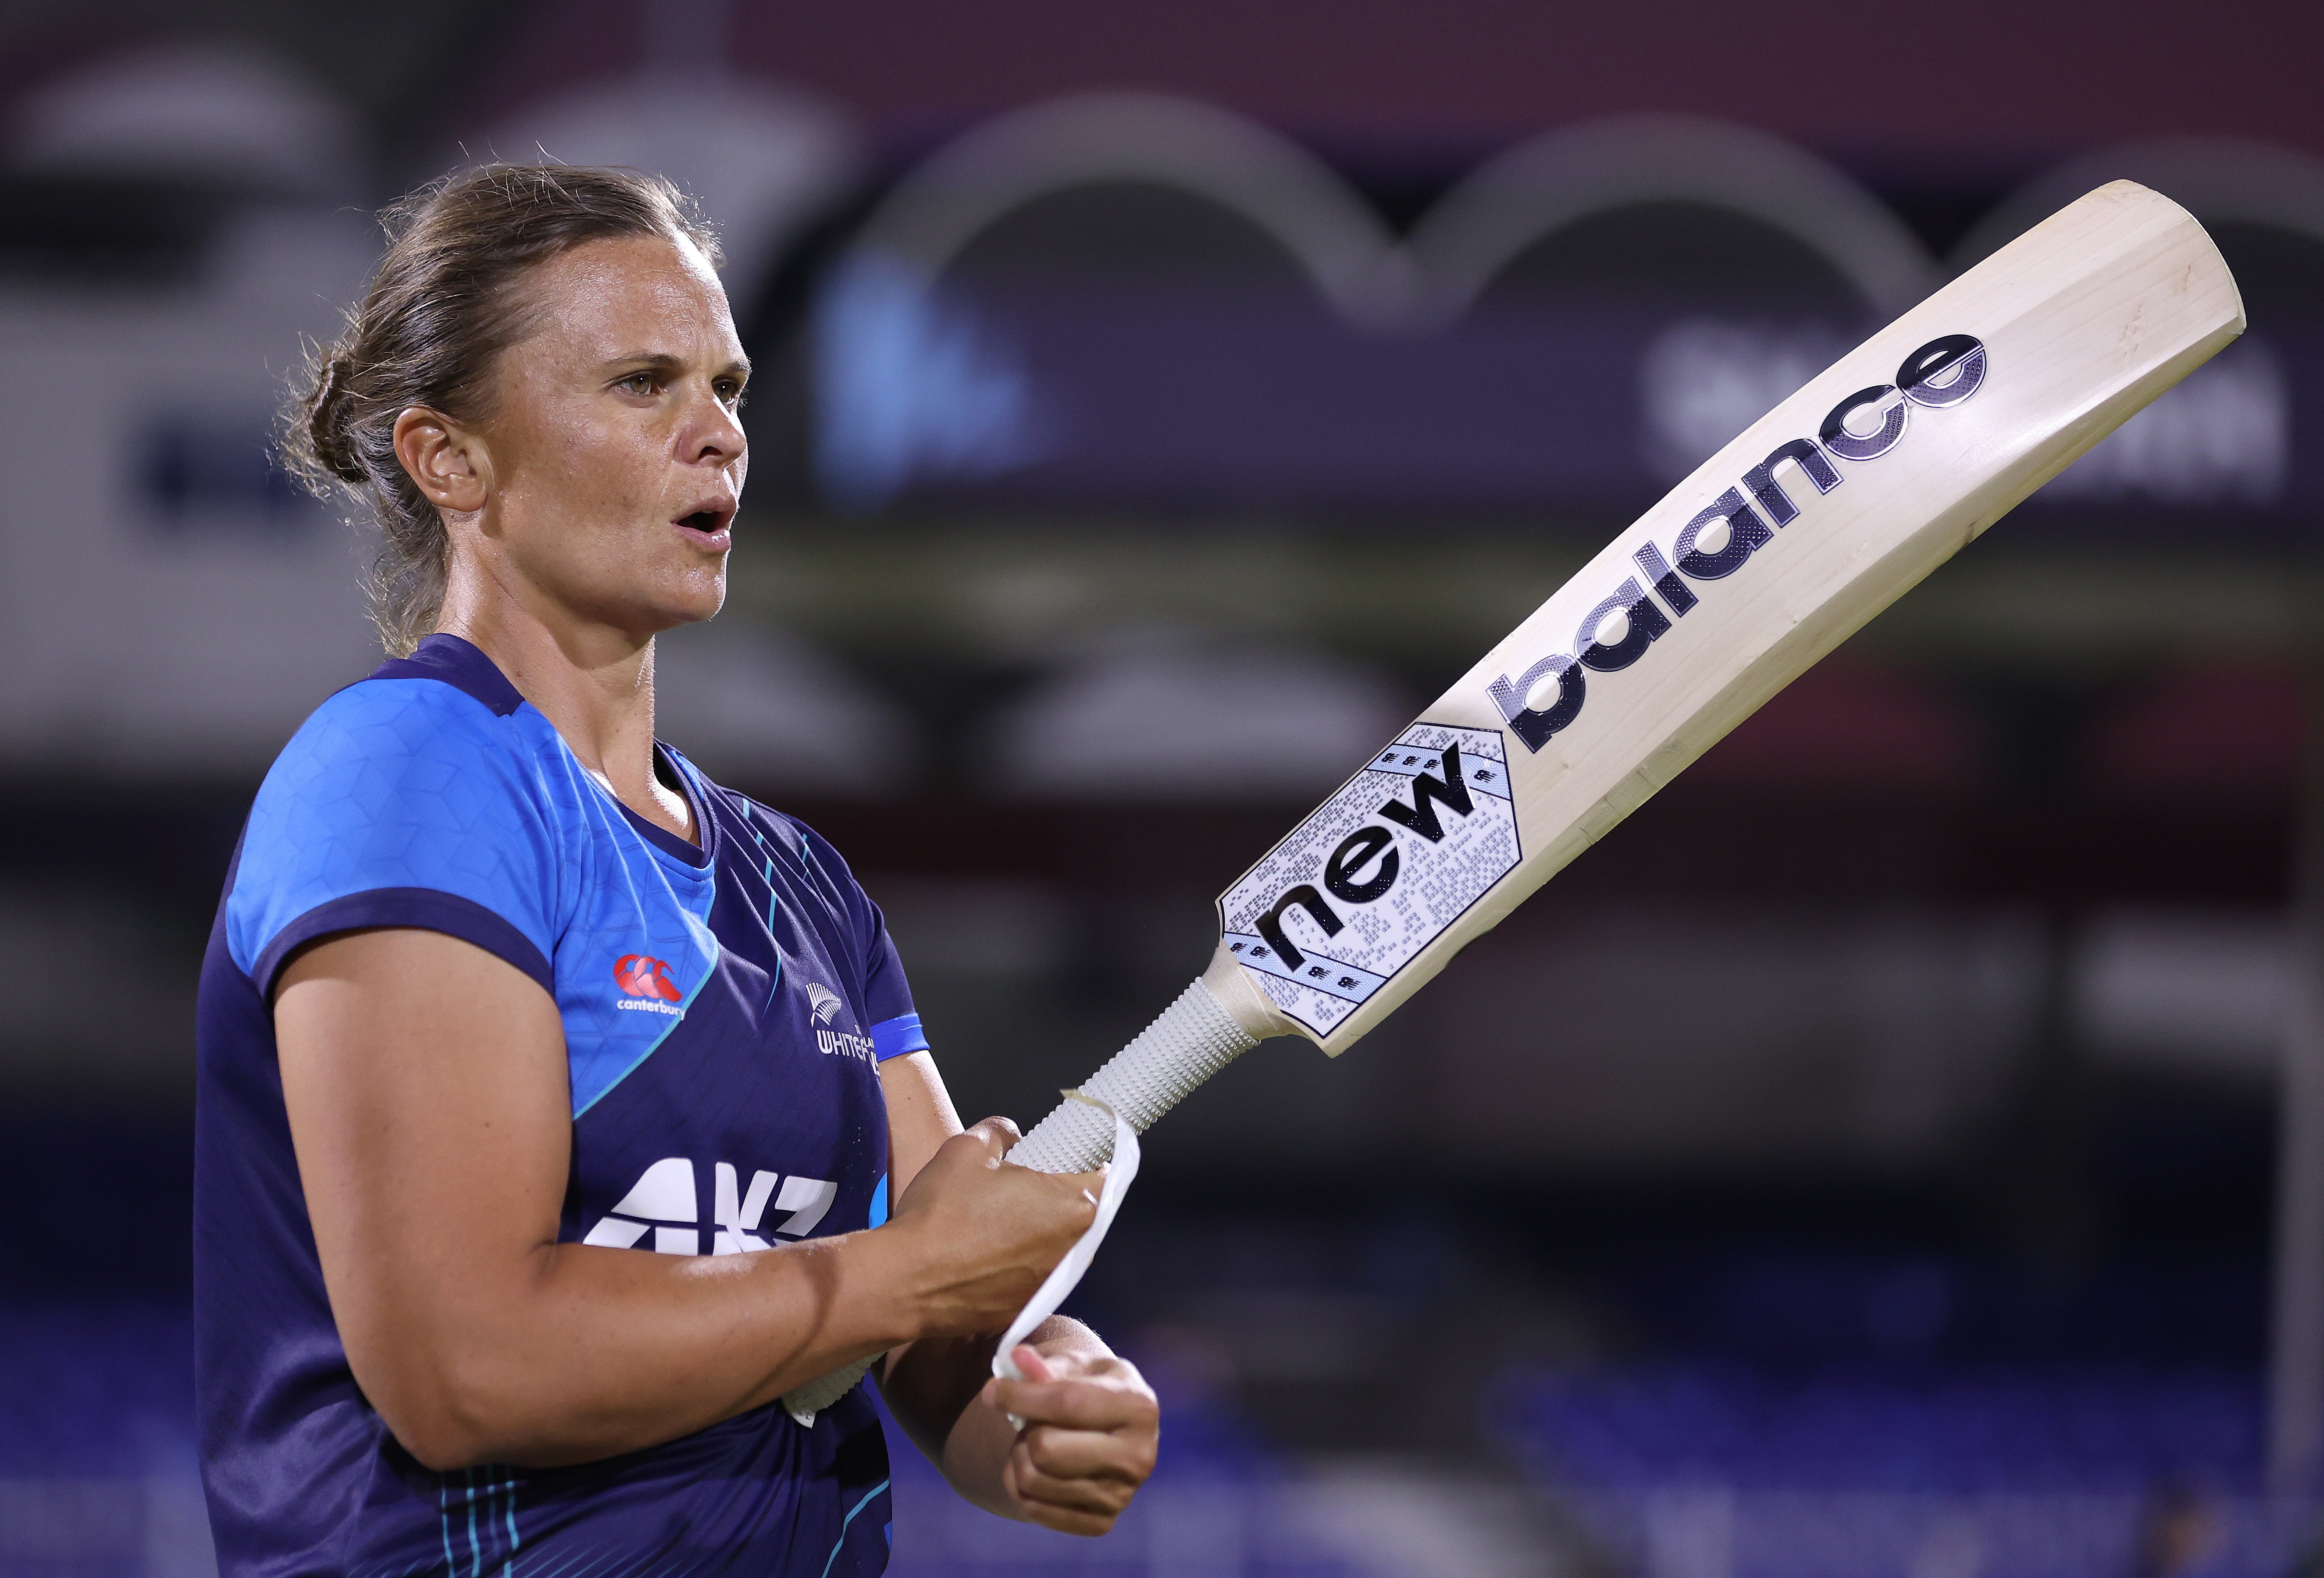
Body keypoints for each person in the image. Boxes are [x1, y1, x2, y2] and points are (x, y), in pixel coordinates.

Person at [193, 164, 1158, 1575]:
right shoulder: (408, 774)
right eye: (644, 384)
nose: (717, 436)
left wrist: (1030, 1412)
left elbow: (933, 1327)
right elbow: (466, 1370)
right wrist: (903, 1276)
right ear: (450, 460)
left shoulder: (803, 888)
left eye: (729, 386)